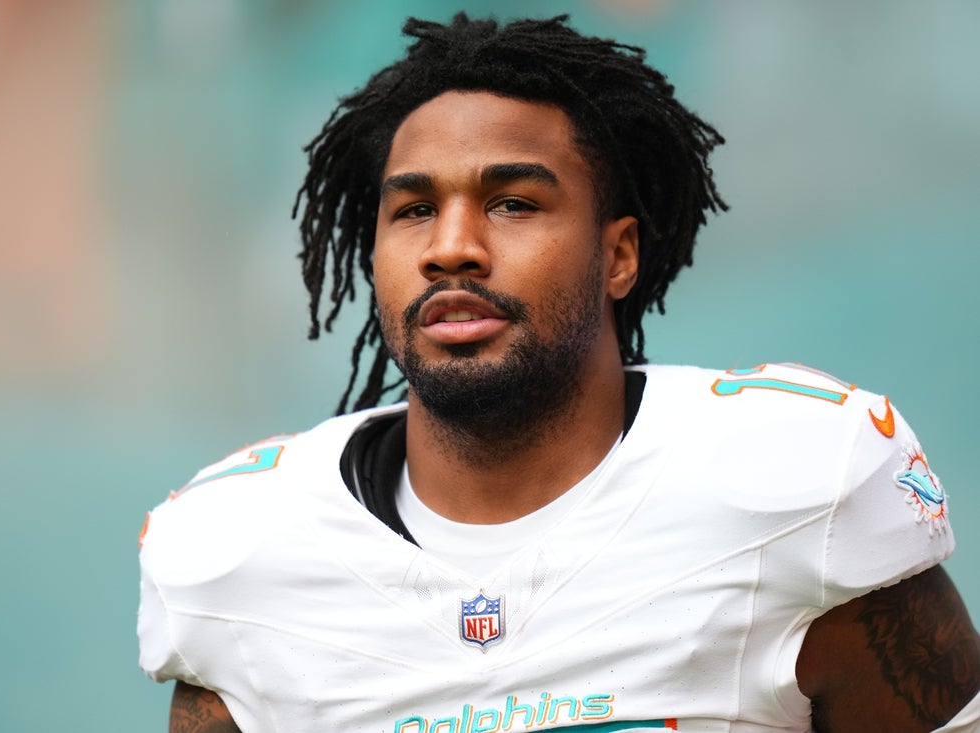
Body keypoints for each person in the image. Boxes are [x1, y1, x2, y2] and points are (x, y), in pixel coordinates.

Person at [137, 14, 980, 733]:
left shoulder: (796, 490)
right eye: (413, 209)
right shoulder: (239, 554)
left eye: (512, 202)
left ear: (617, 255)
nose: (451, 246)